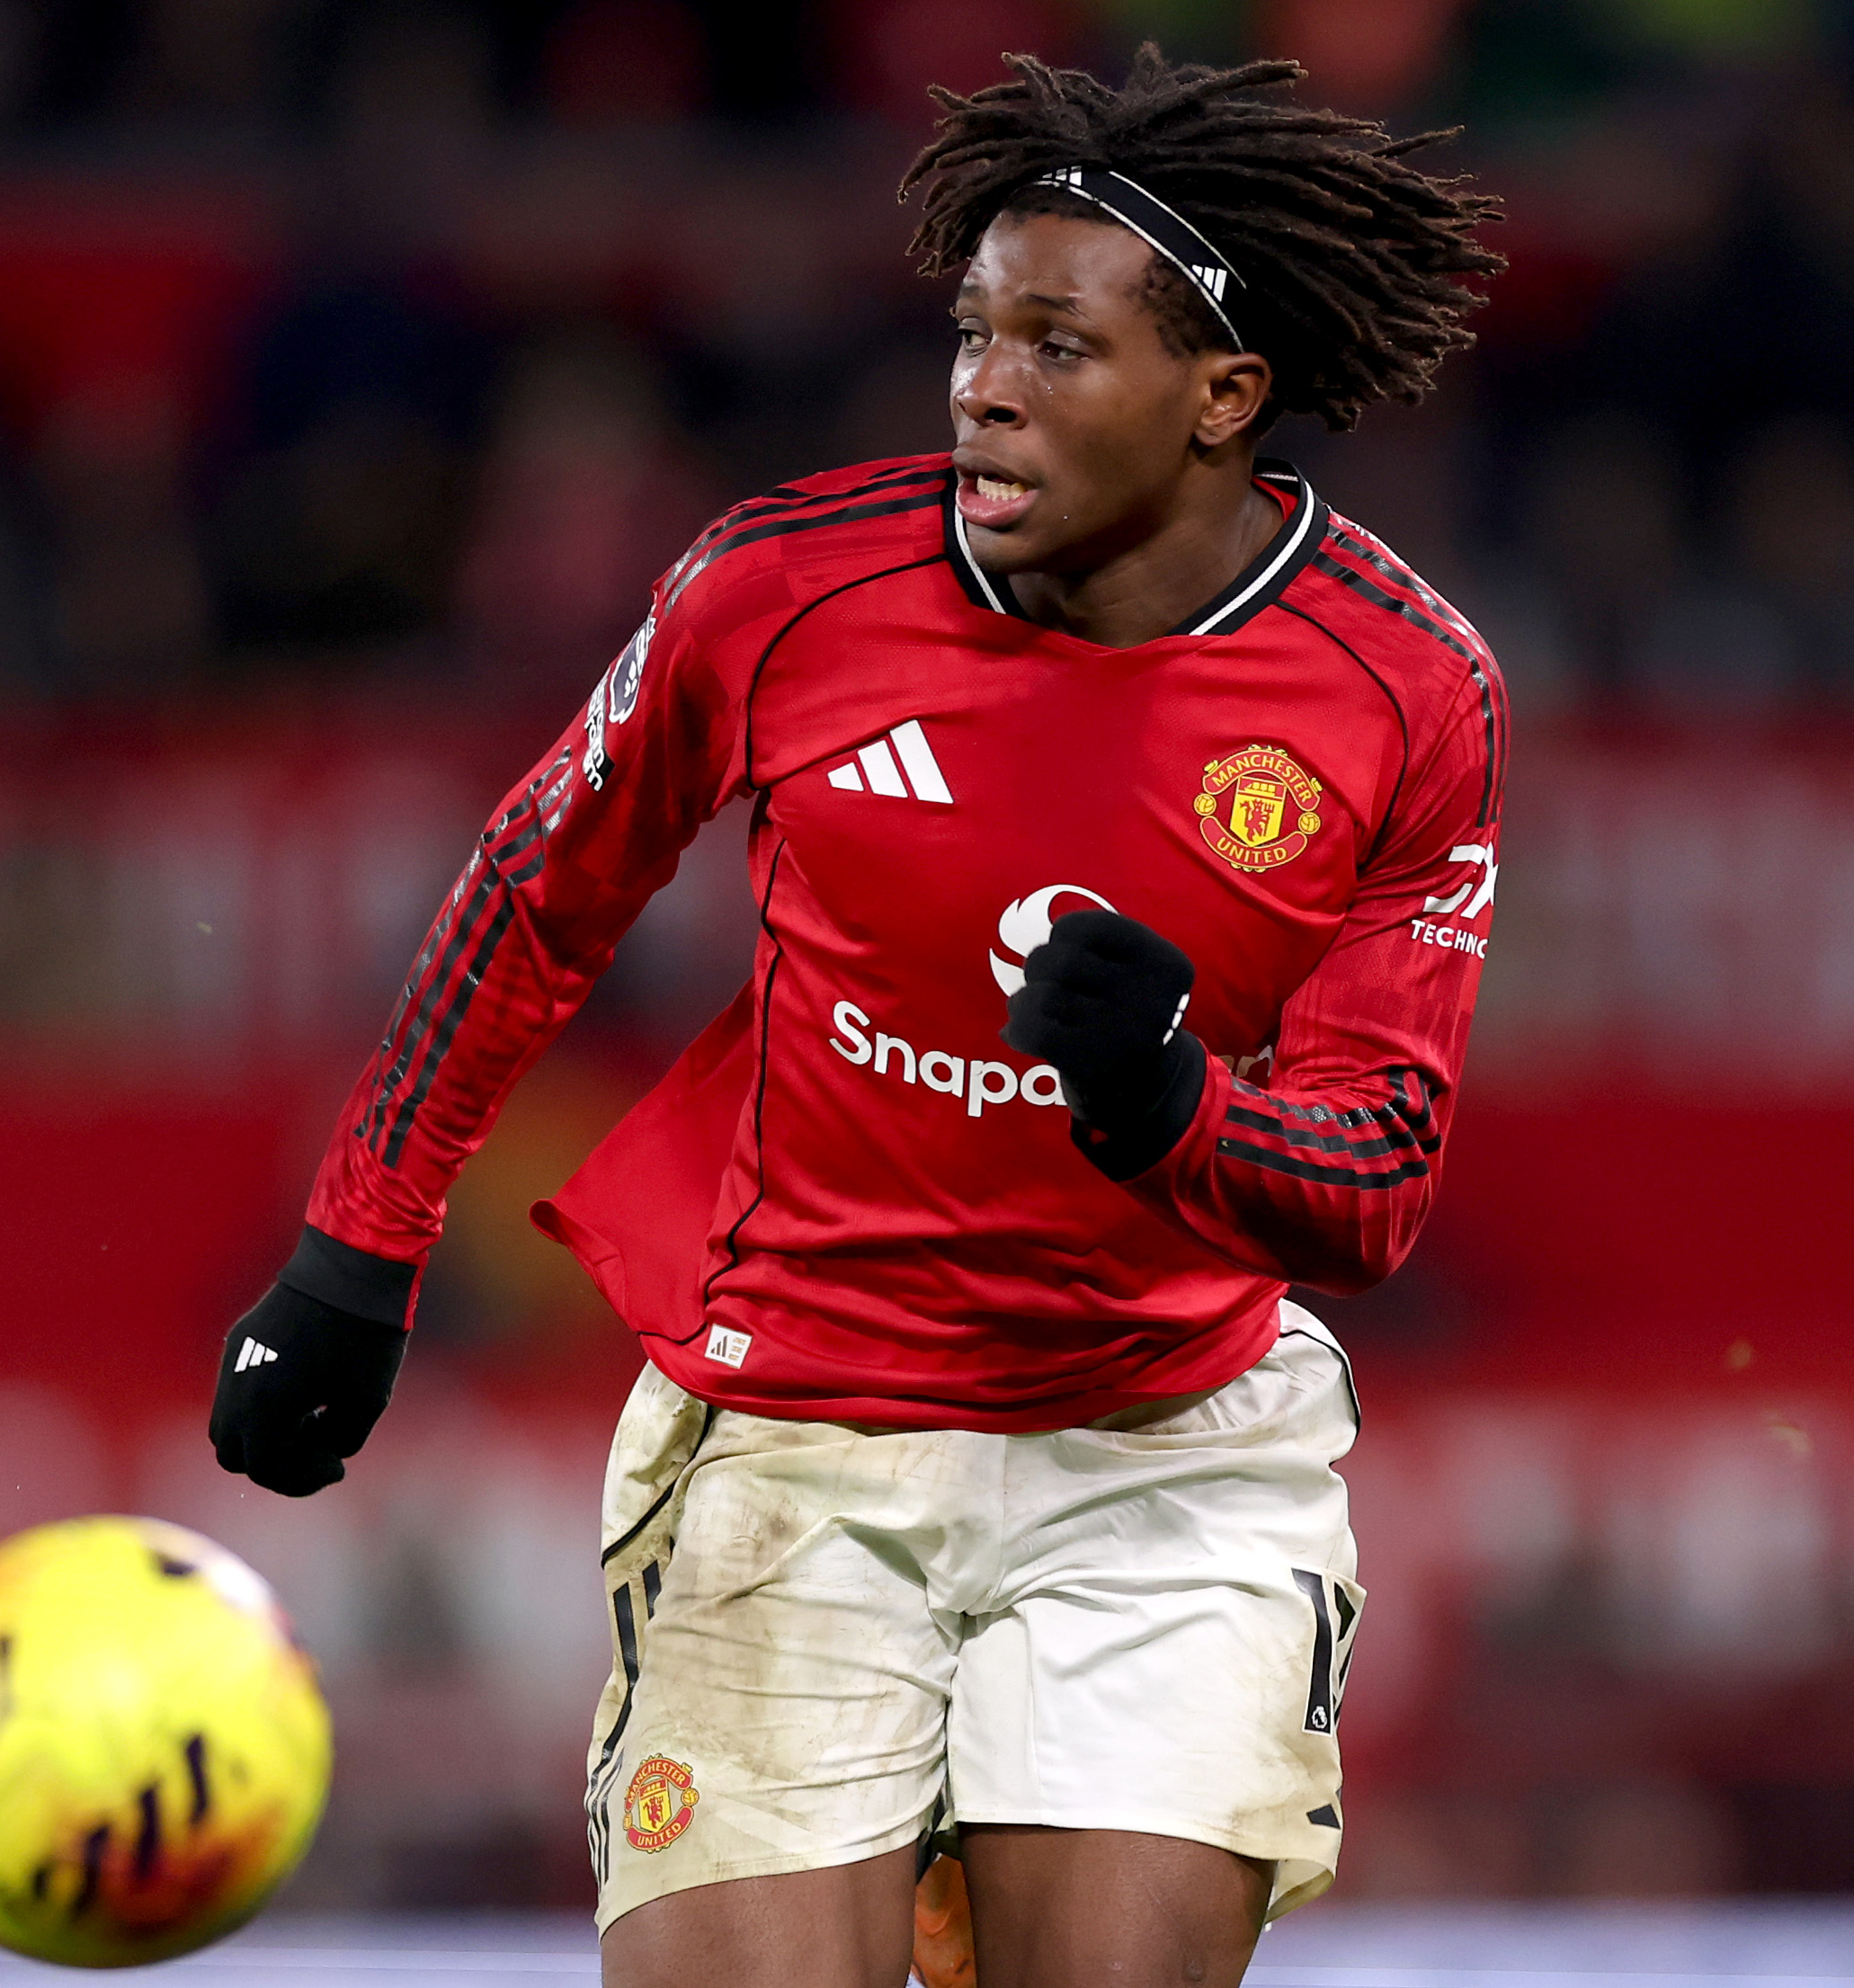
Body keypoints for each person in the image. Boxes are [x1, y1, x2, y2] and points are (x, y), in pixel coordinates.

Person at [209, 47, 1505, 1988]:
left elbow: (1378, 1177)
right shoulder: (784, 587)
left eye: (1060, 345)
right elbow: (531, 885)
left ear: (1223, 395)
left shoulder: (1405, 691)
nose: (984, 381)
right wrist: (353, 1248)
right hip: (793, 1425)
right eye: (974, 330)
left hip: (1161, 1455)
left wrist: (1173, 1105)